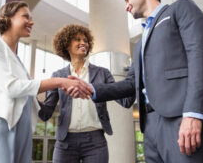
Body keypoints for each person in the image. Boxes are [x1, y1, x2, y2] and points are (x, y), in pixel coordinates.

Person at [67, 0, 203, 162]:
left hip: (180, 118)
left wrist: (193, 112)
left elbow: (199, 57)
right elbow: (130, 85)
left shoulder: (180, 9)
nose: (126, 6)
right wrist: (91, 89)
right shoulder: (139, 45)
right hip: (149, 127)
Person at [0, 1, 91, 163]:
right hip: (0, 123)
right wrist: (59, 82)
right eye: (26, 16)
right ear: (8, 18)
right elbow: (11, 87)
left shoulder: (17, 60)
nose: (31, 22)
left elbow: (29, 97)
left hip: (22, 128)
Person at [38, 24, 134, 163]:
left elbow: (125, 101)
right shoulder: (58, 76)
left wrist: (135, 75)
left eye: (86, 40)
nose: (83, 43)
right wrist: (29, 93)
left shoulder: (103, 73)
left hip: (95, 142)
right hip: (65, 142)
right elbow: (46, 113)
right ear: (66, 44)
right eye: (77, 39)